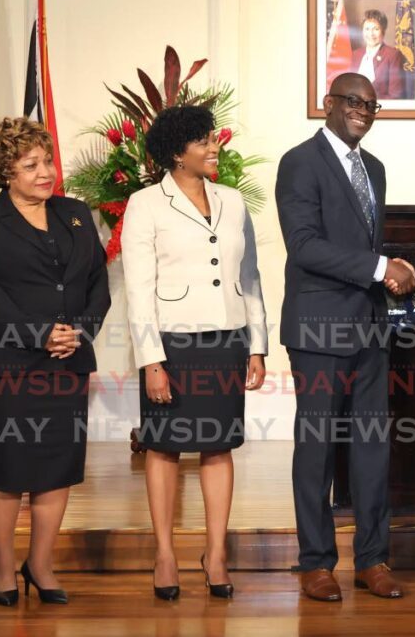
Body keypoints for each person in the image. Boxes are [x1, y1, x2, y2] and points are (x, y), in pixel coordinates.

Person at [0, 117, 111, 606]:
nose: (46, 172)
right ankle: (2, 566)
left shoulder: (77, 213)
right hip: (8, 362)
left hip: (67, 362)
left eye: (47, 161)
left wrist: (78, 332)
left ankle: (39, 564)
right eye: (31, 164)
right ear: (6, 172)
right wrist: (39, 333)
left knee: (56, 467)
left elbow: (97, 284)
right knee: (6, 466)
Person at [276, 72, 415, 601]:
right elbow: (305, 246)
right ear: (328, 103)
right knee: (316, 449)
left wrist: (387, 274)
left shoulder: (373, 169)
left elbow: (364, 244)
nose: (363, 110)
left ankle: (372, 560)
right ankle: (316, 562)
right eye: (353, 101)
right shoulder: (299, 162)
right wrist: (382, 268)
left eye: (372, 105)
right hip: (318, 328)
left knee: (372, 448)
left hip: (371, 328)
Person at [121, 105, 268, 601]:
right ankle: (164, 553)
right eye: (204, 141)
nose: (214, 147)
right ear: (177, 153)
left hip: (227, 341)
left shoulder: (232, 201)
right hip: (173, 344)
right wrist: (151, 360)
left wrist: (258, 345)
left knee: (218, 445)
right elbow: (138, 289)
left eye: (213, 139)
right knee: (164, 446)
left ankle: (216, 553)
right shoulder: (145, 204)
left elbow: (250, 278)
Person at [350, 9, 408, 100]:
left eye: (376, 29)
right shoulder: (356, 54)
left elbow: (396, 95)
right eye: (367, 29)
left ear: (383, 31)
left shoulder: (393, 55)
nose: (371, 34)